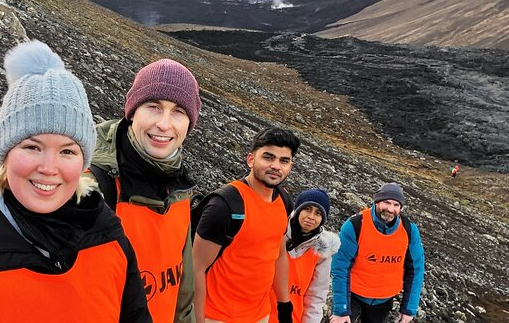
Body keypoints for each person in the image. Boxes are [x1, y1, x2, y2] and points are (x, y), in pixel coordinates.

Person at [0, 40, 151, 322]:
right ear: (5, 154)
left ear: (83, 162)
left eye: (67, 151)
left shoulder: (108, 236)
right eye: (32, 147)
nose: (48, 168)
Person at [89, 58, 202, 323]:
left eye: (178, 111)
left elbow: (181, 295)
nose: (164, 124)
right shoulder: (93, 188)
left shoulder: (179, 189)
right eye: (153, 107)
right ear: (132, 112)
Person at [193, 126, 301, 323]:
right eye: (268, 157)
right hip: (217, 316)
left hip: (260, 314)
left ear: (290, 166)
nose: (276, 166)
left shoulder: (283, 201)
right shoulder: (225, 206)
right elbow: (196, 268)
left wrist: (284, 304)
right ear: (251, 159)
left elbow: (278, 253)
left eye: (284, 160)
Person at [330, 183, 425, 323]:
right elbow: (340, 267)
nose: (391, 209)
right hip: (353, 296)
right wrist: (341, 309)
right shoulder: (356, 225)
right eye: (386, 202)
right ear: (376, 201)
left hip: (384, 300)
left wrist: (408, 309)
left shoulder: (409, 230)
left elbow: (416, 269)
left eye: (396, 205)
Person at [269, 188, 340, 323]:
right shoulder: (275, 234)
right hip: (257, 315)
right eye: (307, 209)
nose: (311, 217)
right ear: (297, 210)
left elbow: (316, 296)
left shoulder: (321, 253)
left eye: (318, 213)